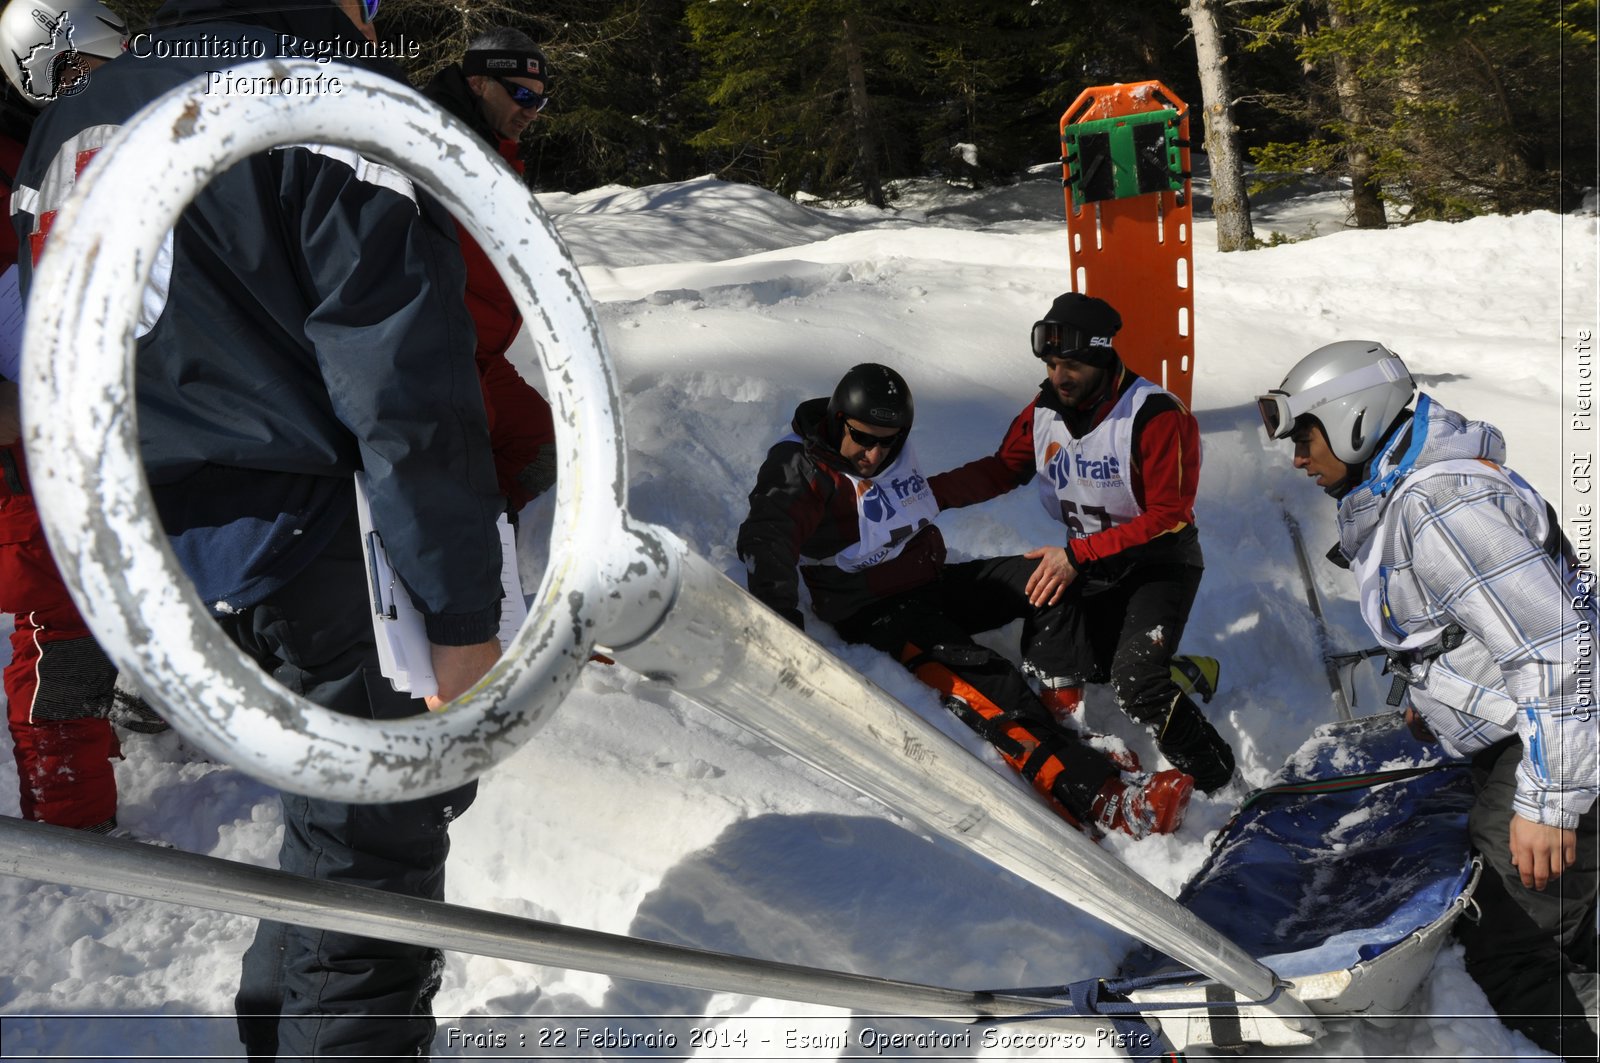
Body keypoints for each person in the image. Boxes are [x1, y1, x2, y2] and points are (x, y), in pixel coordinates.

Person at [12, 0, 505, 1057]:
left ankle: (280, 1029)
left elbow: (40, 346)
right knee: (375, 869)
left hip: (163, 555)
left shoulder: (74, 118)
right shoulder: (322, 92)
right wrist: (460, 605)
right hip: (323, 542)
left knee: (339, 834)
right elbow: (402, 374)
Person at [1258, 340, 1598, 1060]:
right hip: (1533, 730)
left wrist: (1549, 803)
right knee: (1570, 912)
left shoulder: (1443, 503)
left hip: (1554, 741)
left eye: (1305, 435)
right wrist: (1435, 697)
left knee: (1512, 945)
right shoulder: (1409, 490)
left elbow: (1559, 649)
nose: (1297, 457)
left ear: (1352, 419)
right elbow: (1465, 626)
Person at [737, 362, 1194, 839]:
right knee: (991, 685)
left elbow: (932, 494)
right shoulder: (802, 465)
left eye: (888, 440)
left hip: (930, 582)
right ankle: (1110, 802)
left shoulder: (886, 450)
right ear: (837, 420)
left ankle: (1066, 727)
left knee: (1049, 579)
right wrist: (780, 627)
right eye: (862, 437)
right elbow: (767, 539)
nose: (875, 453)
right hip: (879, 612)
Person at [931, 293, 1235, 793]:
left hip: (1157, 564)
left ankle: (1217, 778)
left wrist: (1078, 555)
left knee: (1136, 682)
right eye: (1051, 364)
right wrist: (927, 495)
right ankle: (1173, 669)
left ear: (1100, 357)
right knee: (1080, 660)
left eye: (1070, 364)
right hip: (1088, 561)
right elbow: (1004, 468)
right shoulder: (1045, 409)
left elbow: (1170, 514)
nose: (1058, 376)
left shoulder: (1155, 414)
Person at [0, 0, 164, 838]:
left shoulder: (83, 152)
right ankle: (70, 830)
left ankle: (146, 717)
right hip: (25, 454)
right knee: (61, 629)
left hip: (100, 428)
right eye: (100, 71)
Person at [423, 27, 557, 512]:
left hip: (481, 352)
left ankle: (489, 536)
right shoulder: (430, 143)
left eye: (539, 101)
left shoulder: (495, 152)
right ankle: (463, 549)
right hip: (435, 353)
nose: (530, 110)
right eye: (521, 94)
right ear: (479, 83)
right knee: (456, 469)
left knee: (542, 447)